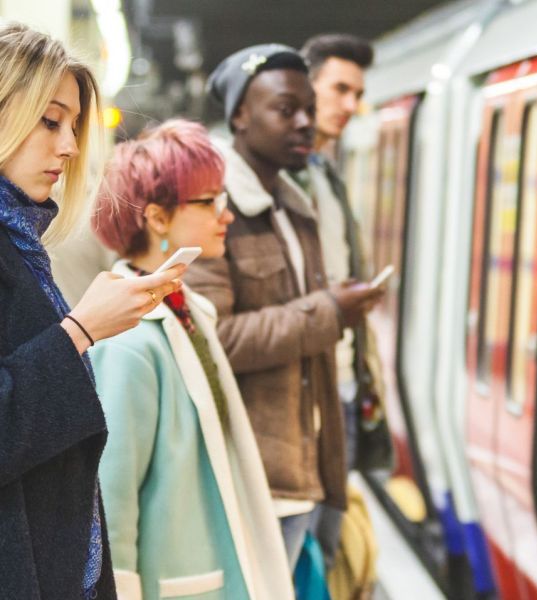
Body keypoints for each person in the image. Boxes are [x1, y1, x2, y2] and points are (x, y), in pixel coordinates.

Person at [0, 23, 183, 599]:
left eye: (74, 125)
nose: (71, 146)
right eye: (50, 120)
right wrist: (79, 331)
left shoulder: (21, 238)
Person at [183, 44, 383, 569]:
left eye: (308, 110)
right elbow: (213, 340)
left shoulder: (295, 208)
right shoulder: (213, 208)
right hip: (254, 481)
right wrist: (330, 313)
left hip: (306, 469)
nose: (304, 123)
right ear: (240, 117)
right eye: (285, 109)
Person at [90, 120, 294, 600]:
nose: (226, 216)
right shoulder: (128, 342)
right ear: (158, 218)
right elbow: (109, 507)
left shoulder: (187, 310)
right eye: (209, 202)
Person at [296, 34, 393, 579]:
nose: (351, 105)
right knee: (308, 551)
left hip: (344, 385)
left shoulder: (327, 175)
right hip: (309, 392)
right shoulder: (279, 179)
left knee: (325, 545)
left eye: (357, 93)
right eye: (340, 89)